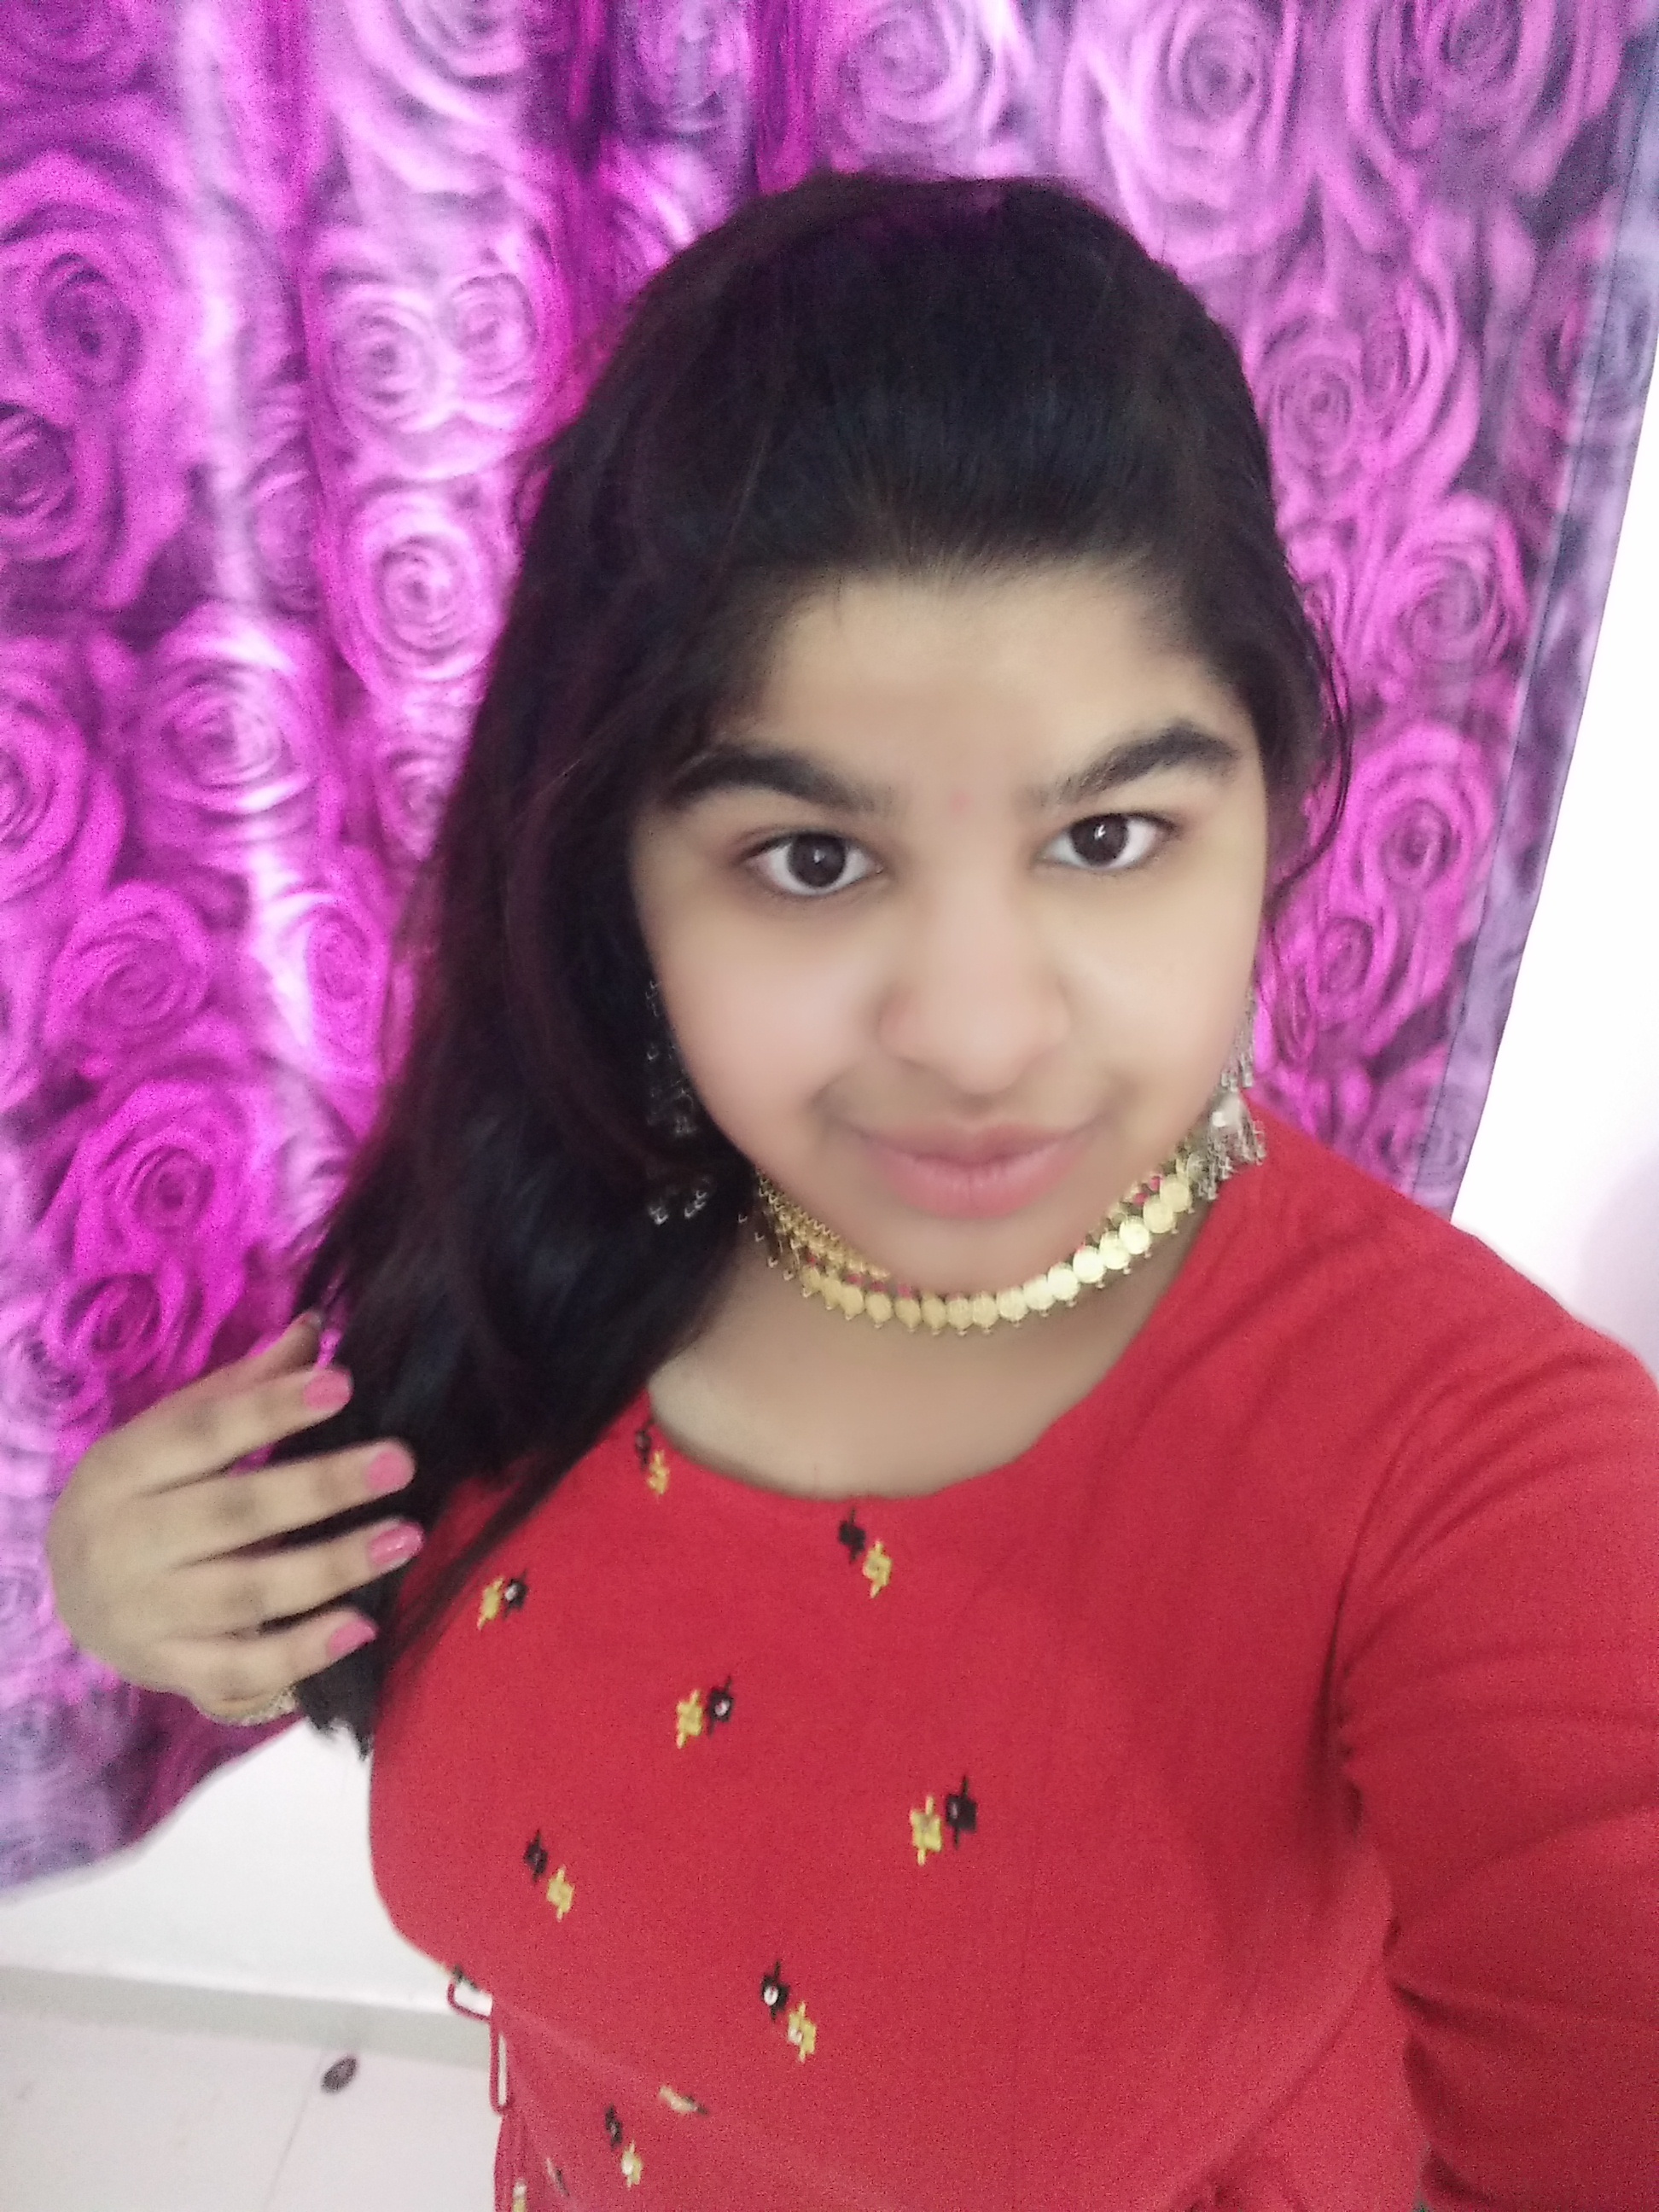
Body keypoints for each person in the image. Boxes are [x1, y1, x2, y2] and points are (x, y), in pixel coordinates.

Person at [45, 172, 1659, 2212]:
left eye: (1108, 836)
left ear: (1272, 803)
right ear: (623, 880)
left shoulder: (1473, 1464)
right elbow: (340, 1613)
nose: (977, 1035)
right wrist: (140, 1583)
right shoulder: (578, 1225)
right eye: (812, 860)